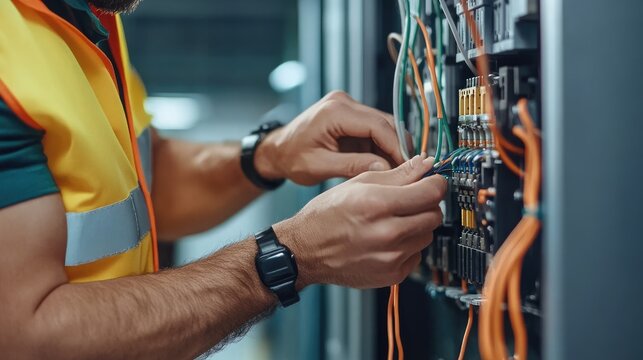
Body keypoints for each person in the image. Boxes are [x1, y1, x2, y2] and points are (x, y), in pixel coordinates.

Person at [0, 0, 447, 358]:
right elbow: (27, 339)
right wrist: (289, 257)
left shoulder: (87, 16)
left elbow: (146, 179)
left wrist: (269, 154)